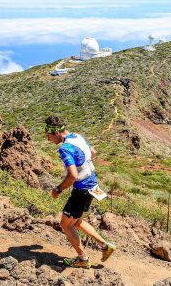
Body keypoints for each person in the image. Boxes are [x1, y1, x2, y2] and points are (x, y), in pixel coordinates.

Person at [44, 115, 116, 268]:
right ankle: (105, 246)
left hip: (81, 190)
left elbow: (72, 176)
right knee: (76, 222)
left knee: (65, 224)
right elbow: (93, 151)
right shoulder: (77, 136)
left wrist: (58, 189)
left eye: (48, 135)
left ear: (56, 132)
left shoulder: (65, 148)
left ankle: (83, 259)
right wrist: (85, 165)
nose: (47, 139)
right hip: (92, 185)